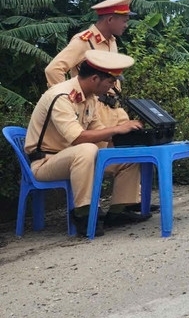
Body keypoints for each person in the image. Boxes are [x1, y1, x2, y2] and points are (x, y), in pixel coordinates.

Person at [26, 50, 149, 236]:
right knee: (85, 149)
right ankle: (84, 214)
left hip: (76, 159)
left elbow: (100, 132)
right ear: (94, 79)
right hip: (46, 162)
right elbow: (77, 138)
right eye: (109, 81)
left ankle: (119, 211)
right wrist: (116, 129)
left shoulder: (89, 98)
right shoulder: (61, 97)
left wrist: (132, 131)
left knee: (128, 157)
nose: (111, 87)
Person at [45, 0, 137, 132]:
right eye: (124, 21)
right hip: (95, 109)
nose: (126, 25)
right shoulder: (84, 41)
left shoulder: (112, 41)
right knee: (98, 151)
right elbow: (53, 69)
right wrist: (70, 101)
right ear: (110, 19)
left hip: (114, 108)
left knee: (129, 147)